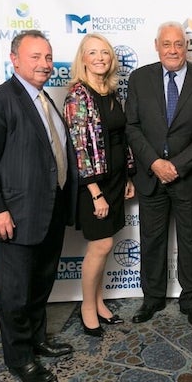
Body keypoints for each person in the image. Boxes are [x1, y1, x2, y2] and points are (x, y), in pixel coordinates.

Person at [0, 30, 76, 382]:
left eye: (47, 57)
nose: (44, 64)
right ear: (14, 59)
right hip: (11, 215)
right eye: (35, 57)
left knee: (39, 285)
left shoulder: (44, 99)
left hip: (46, 212)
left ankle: (37, 341)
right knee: (14, 294)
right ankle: (19, 360)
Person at [126, 21, 192, 328]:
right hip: (151, 176)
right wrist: (154, 162)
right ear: (156, 46)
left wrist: (178, 165)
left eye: (178, 44)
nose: (172, 50)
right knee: (152, 241)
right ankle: (152, 299)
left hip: (189, 178)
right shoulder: (139, 79)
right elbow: (132, 126)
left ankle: (190, 300)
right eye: (166, 44)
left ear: (186, 47)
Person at [63, 33, 135, 338]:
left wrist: (129, 175)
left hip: (117, 179)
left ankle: (99, 301)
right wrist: (95, 192)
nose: (100, 57)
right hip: (94, 184)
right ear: (83, 59)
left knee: (103, 247)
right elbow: (80, 149)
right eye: (92, 52)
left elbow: (121, 137)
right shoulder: (78, 96)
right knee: (102, 244)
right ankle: (87, 308)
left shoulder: (110, 91)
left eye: (104, 52)